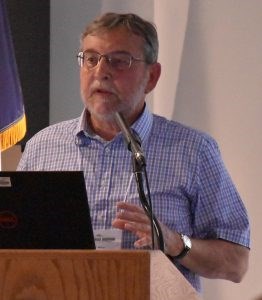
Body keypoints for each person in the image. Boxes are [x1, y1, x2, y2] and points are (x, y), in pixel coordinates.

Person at [17, 12, 250, 292]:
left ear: (152, 76)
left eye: (119, 61)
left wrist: (175, 243)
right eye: (91, 59)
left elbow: (236, 264)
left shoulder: (194, 150)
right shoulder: (43, 147)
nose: (101, 71)